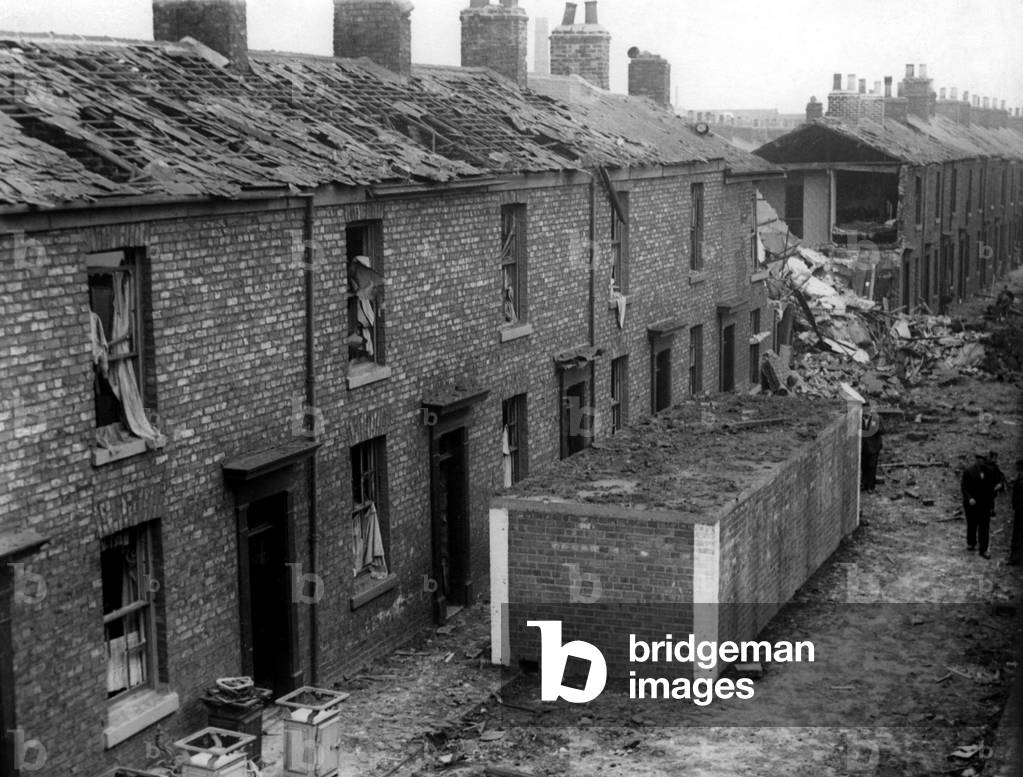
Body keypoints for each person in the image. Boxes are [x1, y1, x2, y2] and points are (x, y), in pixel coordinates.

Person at [961, 453, 997, 558]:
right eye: (980, 459)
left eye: (983, 460)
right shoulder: (968, 471)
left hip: (984, 504)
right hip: (971, 504)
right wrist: (970, 498)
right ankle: (971, 542)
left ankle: (983, 550)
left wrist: (991, 506)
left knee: (984, 527)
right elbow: (964, 487)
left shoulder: (989, 472)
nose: (982, 462)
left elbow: (991, 489)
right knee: (972, 524)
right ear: (976, 460)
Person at [860, 402, 883, 493]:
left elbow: (883, 430)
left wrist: (876, 429)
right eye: (863, 409)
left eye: (867, 408)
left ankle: (871, 486)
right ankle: (864, 484)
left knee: (872, 466)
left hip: (874, 447)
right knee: (864, 466)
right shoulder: (859, 418)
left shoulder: (877, 418)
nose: (865, 411)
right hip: (863, 447)